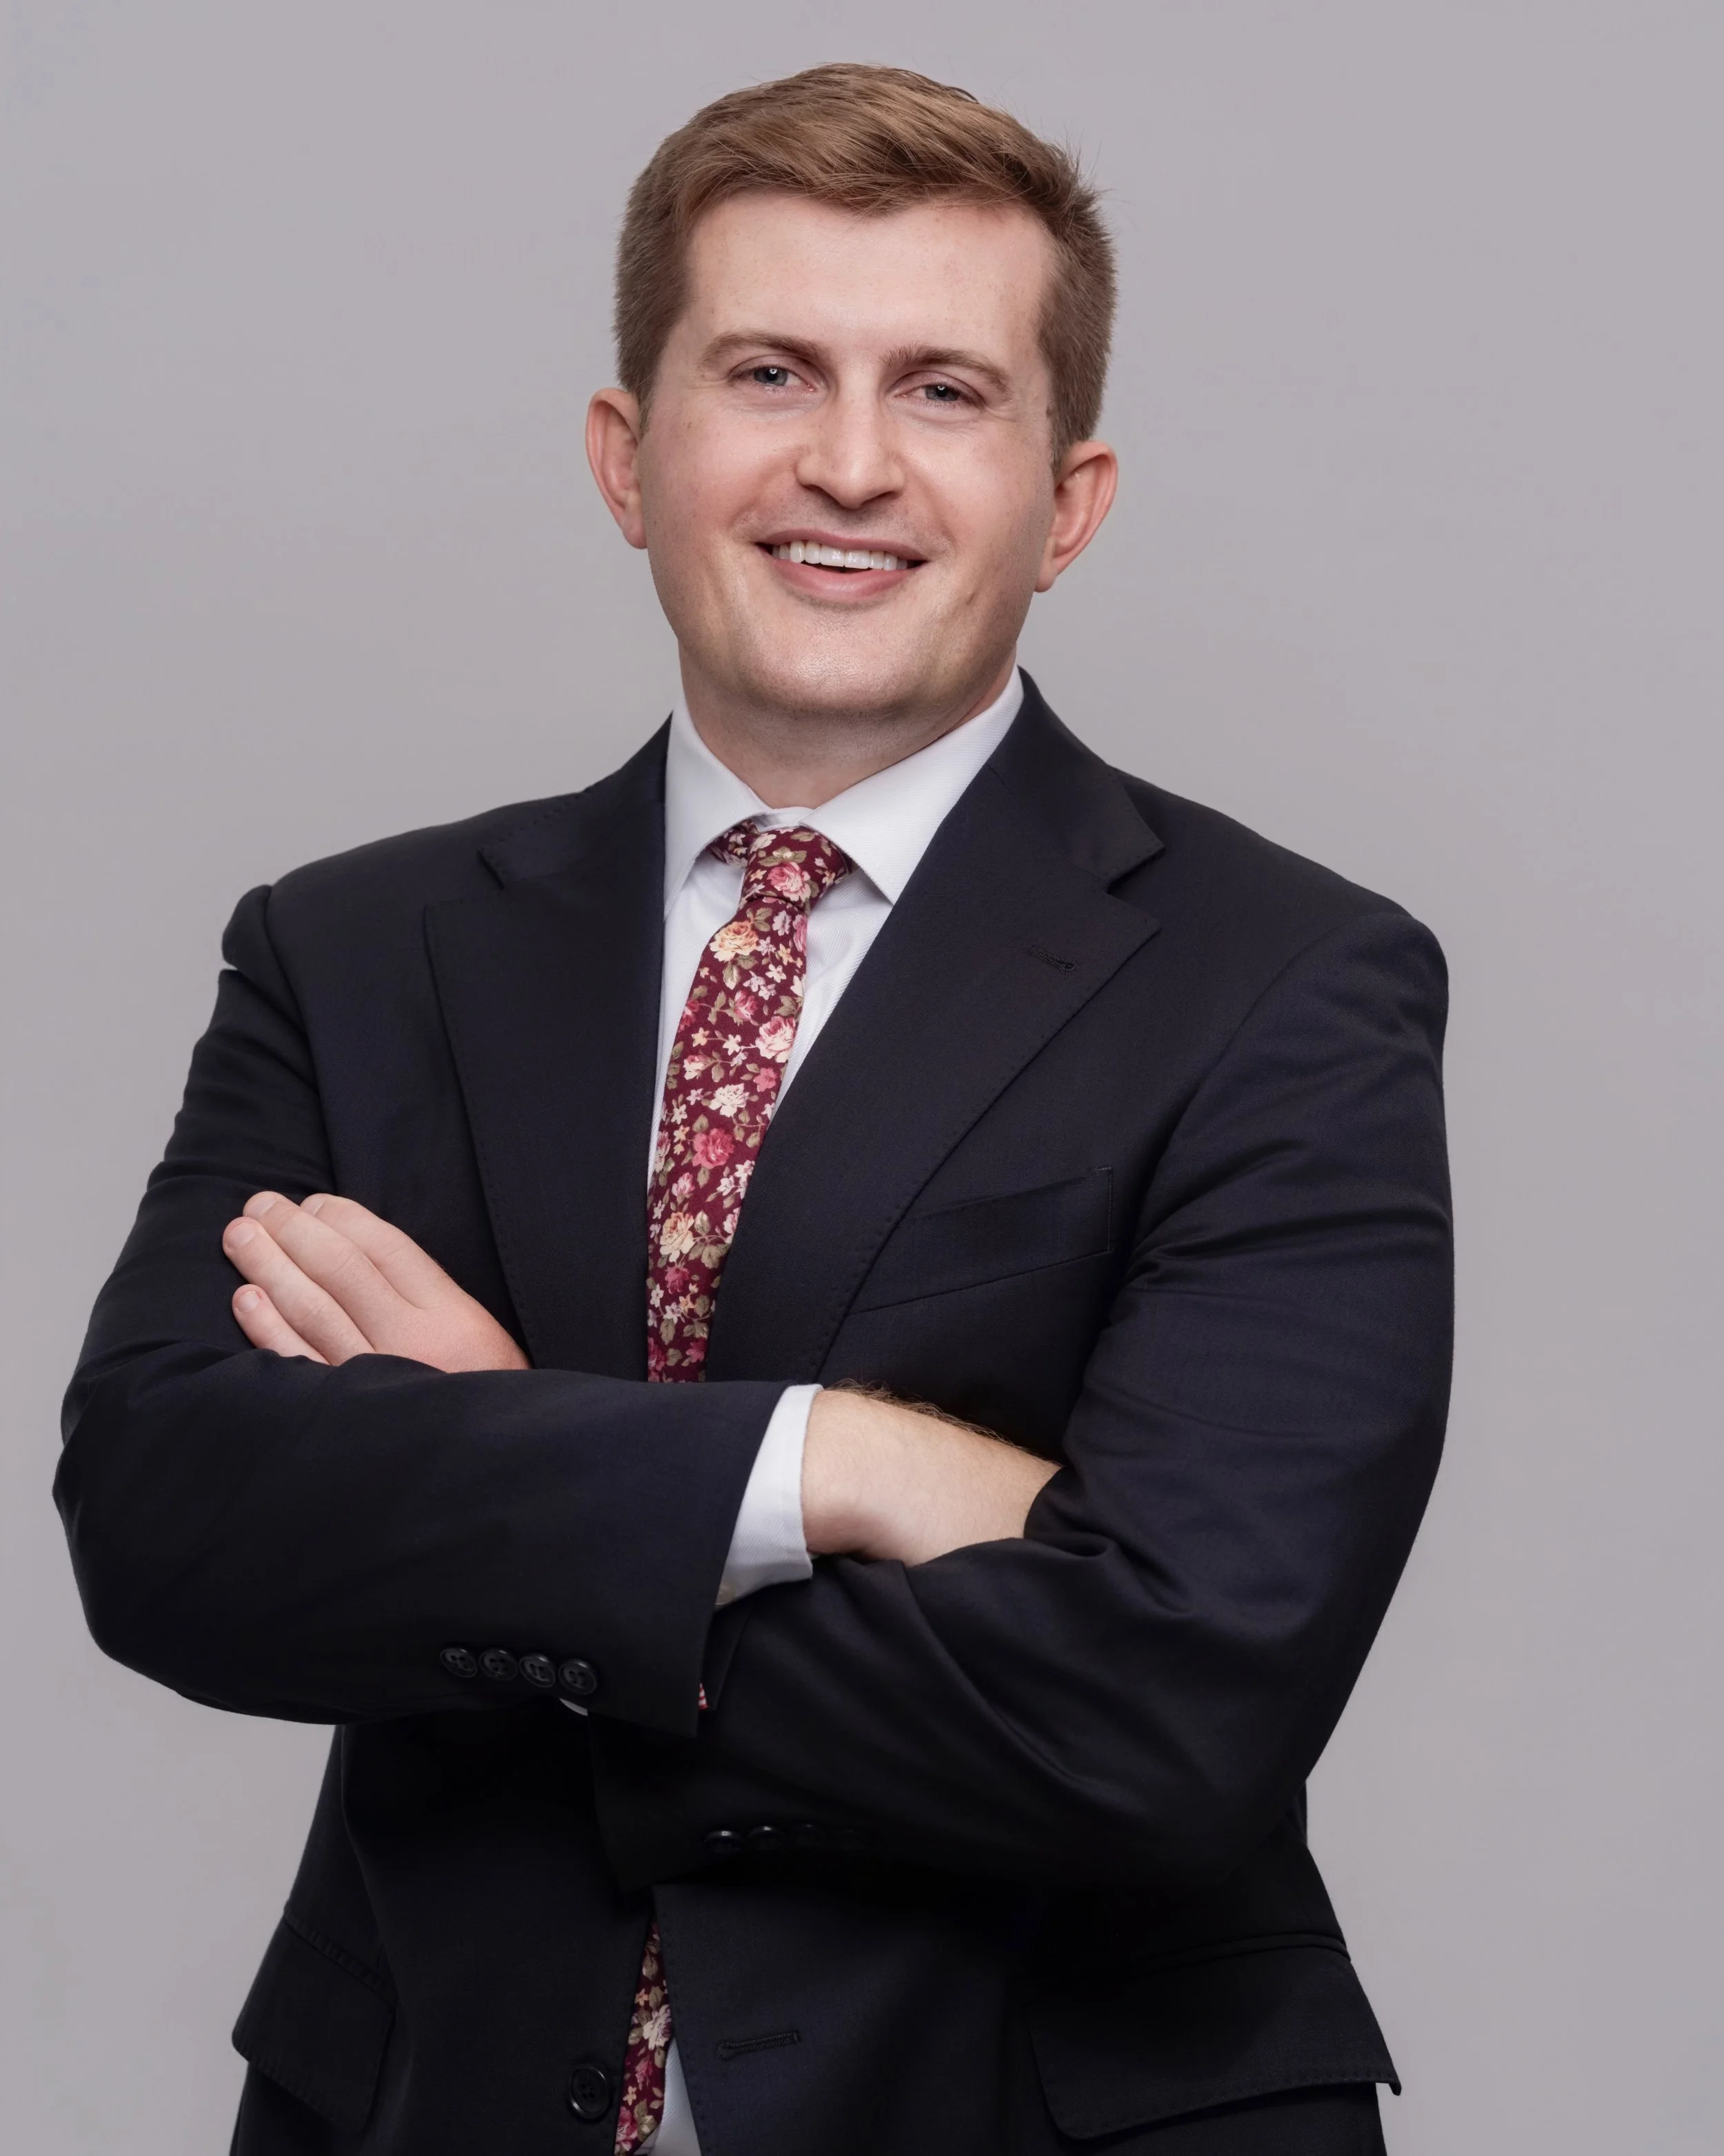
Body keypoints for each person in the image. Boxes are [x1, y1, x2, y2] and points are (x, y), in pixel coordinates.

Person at [58, 63, 1451, 2156]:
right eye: (772, 369)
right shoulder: (359, 949)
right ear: (632, 454)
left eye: (946, 391)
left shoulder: (1285, 984)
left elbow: (1175, 1708)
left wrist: (497, 1490)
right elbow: (167, 1527)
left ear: (1066, 499)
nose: (851, 464)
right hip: (419, 2096)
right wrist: (840, 1463)